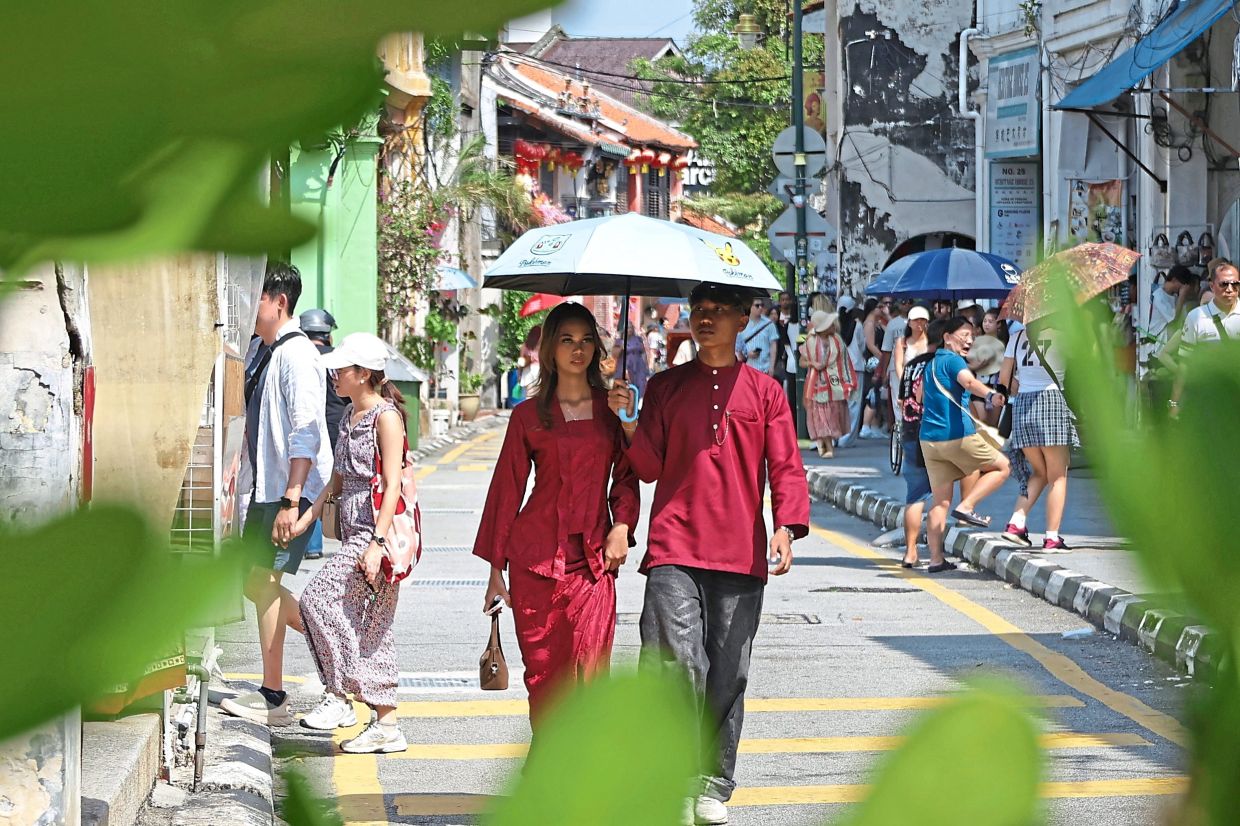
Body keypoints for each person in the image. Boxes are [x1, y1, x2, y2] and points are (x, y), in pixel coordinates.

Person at [607, 283, 809, 826]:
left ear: (744, 320)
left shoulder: (766, 392)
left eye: (720, 312)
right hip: (674, 545)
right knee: (675, 663)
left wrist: (786, 526)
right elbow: (647, 466)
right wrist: (628, 419)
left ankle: (711, 782)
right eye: (699, 311)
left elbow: (785, 465)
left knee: (728, 672)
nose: (707, 319)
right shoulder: (667, 387)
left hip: (741, 553)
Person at [475, 303, 640, 727]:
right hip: (535, 565)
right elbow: (506, 493)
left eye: (586, 340)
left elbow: (627, 475)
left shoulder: (612, 409)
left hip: (593, 564)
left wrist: (622, 525)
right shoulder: (528, 416)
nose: (577, 349)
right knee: (545, 678)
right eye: (566, 340)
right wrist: (497, 571)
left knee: (589, 673)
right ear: (550, 349)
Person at [222, 262, 333, 726]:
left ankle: (274, 696)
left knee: (264, 583)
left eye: (258, 298)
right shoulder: (265, 352)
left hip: (289, 491)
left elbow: (306, 430)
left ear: (279, 302)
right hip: (269, 488)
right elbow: (259, 422)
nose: (251, 307)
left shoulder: (296, 354)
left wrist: (291, 499)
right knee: (256, 582)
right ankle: (336, 645)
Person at [291, 333, 412, 752]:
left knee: (318, 599)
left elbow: (393, 483)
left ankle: (342, 695)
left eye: (341, 370)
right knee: (372, 625)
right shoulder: (348, 416)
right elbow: (338, 478)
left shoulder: (386, 418)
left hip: (374, 535)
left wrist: (376, 542)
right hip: (352, 532)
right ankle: (386, 725)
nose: (334, 376)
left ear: (363, 375)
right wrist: (309, 515)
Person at [919, 317, 1010, 572]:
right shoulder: (953, 360)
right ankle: (968, 506)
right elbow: (968, 382)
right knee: (1003, 467)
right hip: (955, 435)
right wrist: (990, 394)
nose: (970, 339)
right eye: (964, 334)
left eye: (972, 334)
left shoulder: (933, 364)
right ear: (947, 337)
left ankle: (936, 559)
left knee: (940, 502)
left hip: (930, 440)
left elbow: (921, 396)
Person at [998, 320, 1077, 552]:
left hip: (1023, 405)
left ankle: (1016, 523)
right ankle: (1052, 537)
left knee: (1040, 472)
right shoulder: (1064, 334)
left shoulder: (1016, 337)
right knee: (1058, 476)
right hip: (1051, 400)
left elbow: (1004, 380)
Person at [299, 308, 347, 561]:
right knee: (341, 486)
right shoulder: (339, 359)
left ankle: (311, 542)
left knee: (310, 483)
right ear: (327, 333)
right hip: (340, 429)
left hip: (311, 430)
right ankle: (343, 537)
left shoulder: (301, 358)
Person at [897, 319, 945, 568]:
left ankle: (910, 552)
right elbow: (921, 395)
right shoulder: (938, 365)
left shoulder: (911, 365)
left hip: (908, 430)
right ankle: (936, 556)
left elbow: (902, 399)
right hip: (932, 434)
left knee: (915, 495)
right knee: (940, 498)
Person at [1171, 260, 1240, 414]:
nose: (1230, 289)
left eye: (1235, 284)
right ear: (1212, 286)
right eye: (1224, 284)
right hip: (1207, 400)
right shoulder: (1196, 317)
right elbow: (1184, 364)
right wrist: (1174, 403)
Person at [800, 310, 856, 457]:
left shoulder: (837, 340)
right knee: (820, 415)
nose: (833, 326)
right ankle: (827, 447)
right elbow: (802, 361)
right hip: (816, 384)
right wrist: (814, 363)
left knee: (831, 414)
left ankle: (826, 444)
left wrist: (847, 381)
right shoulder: (810, 341)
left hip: (834, 384)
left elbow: (844, 362)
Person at [859, 298, 890, 439]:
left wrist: (886, 316)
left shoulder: (878, 324)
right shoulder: (869, 324)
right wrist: (882, 358)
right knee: (872, 392)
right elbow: (870, 344)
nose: (882, 309)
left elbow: (890, 329)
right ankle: (866, 425)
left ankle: (875, 425)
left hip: (878, 359)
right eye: (879, 307)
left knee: (877, 392)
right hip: (873, 361)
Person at [878, 299, 911, 428]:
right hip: (894, 365)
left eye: (909, 302)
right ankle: (900, 428)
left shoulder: (920, 323)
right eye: (903, 302)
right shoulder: (893, 324)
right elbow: (886, 350)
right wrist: (884, 371)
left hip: (912, 365)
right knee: (899, 398)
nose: (906, 304)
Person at [736, 296, 779, 376]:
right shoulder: (742, 323)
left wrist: (772, 367)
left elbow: (773, 346)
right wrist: (747, 354)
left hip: (765, 368)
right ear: (750, 307)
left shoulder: (769, 324)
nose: (760, 308)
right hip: (747, 368)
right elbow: (737, 347)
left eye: (762, 305)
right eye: (757, 305)